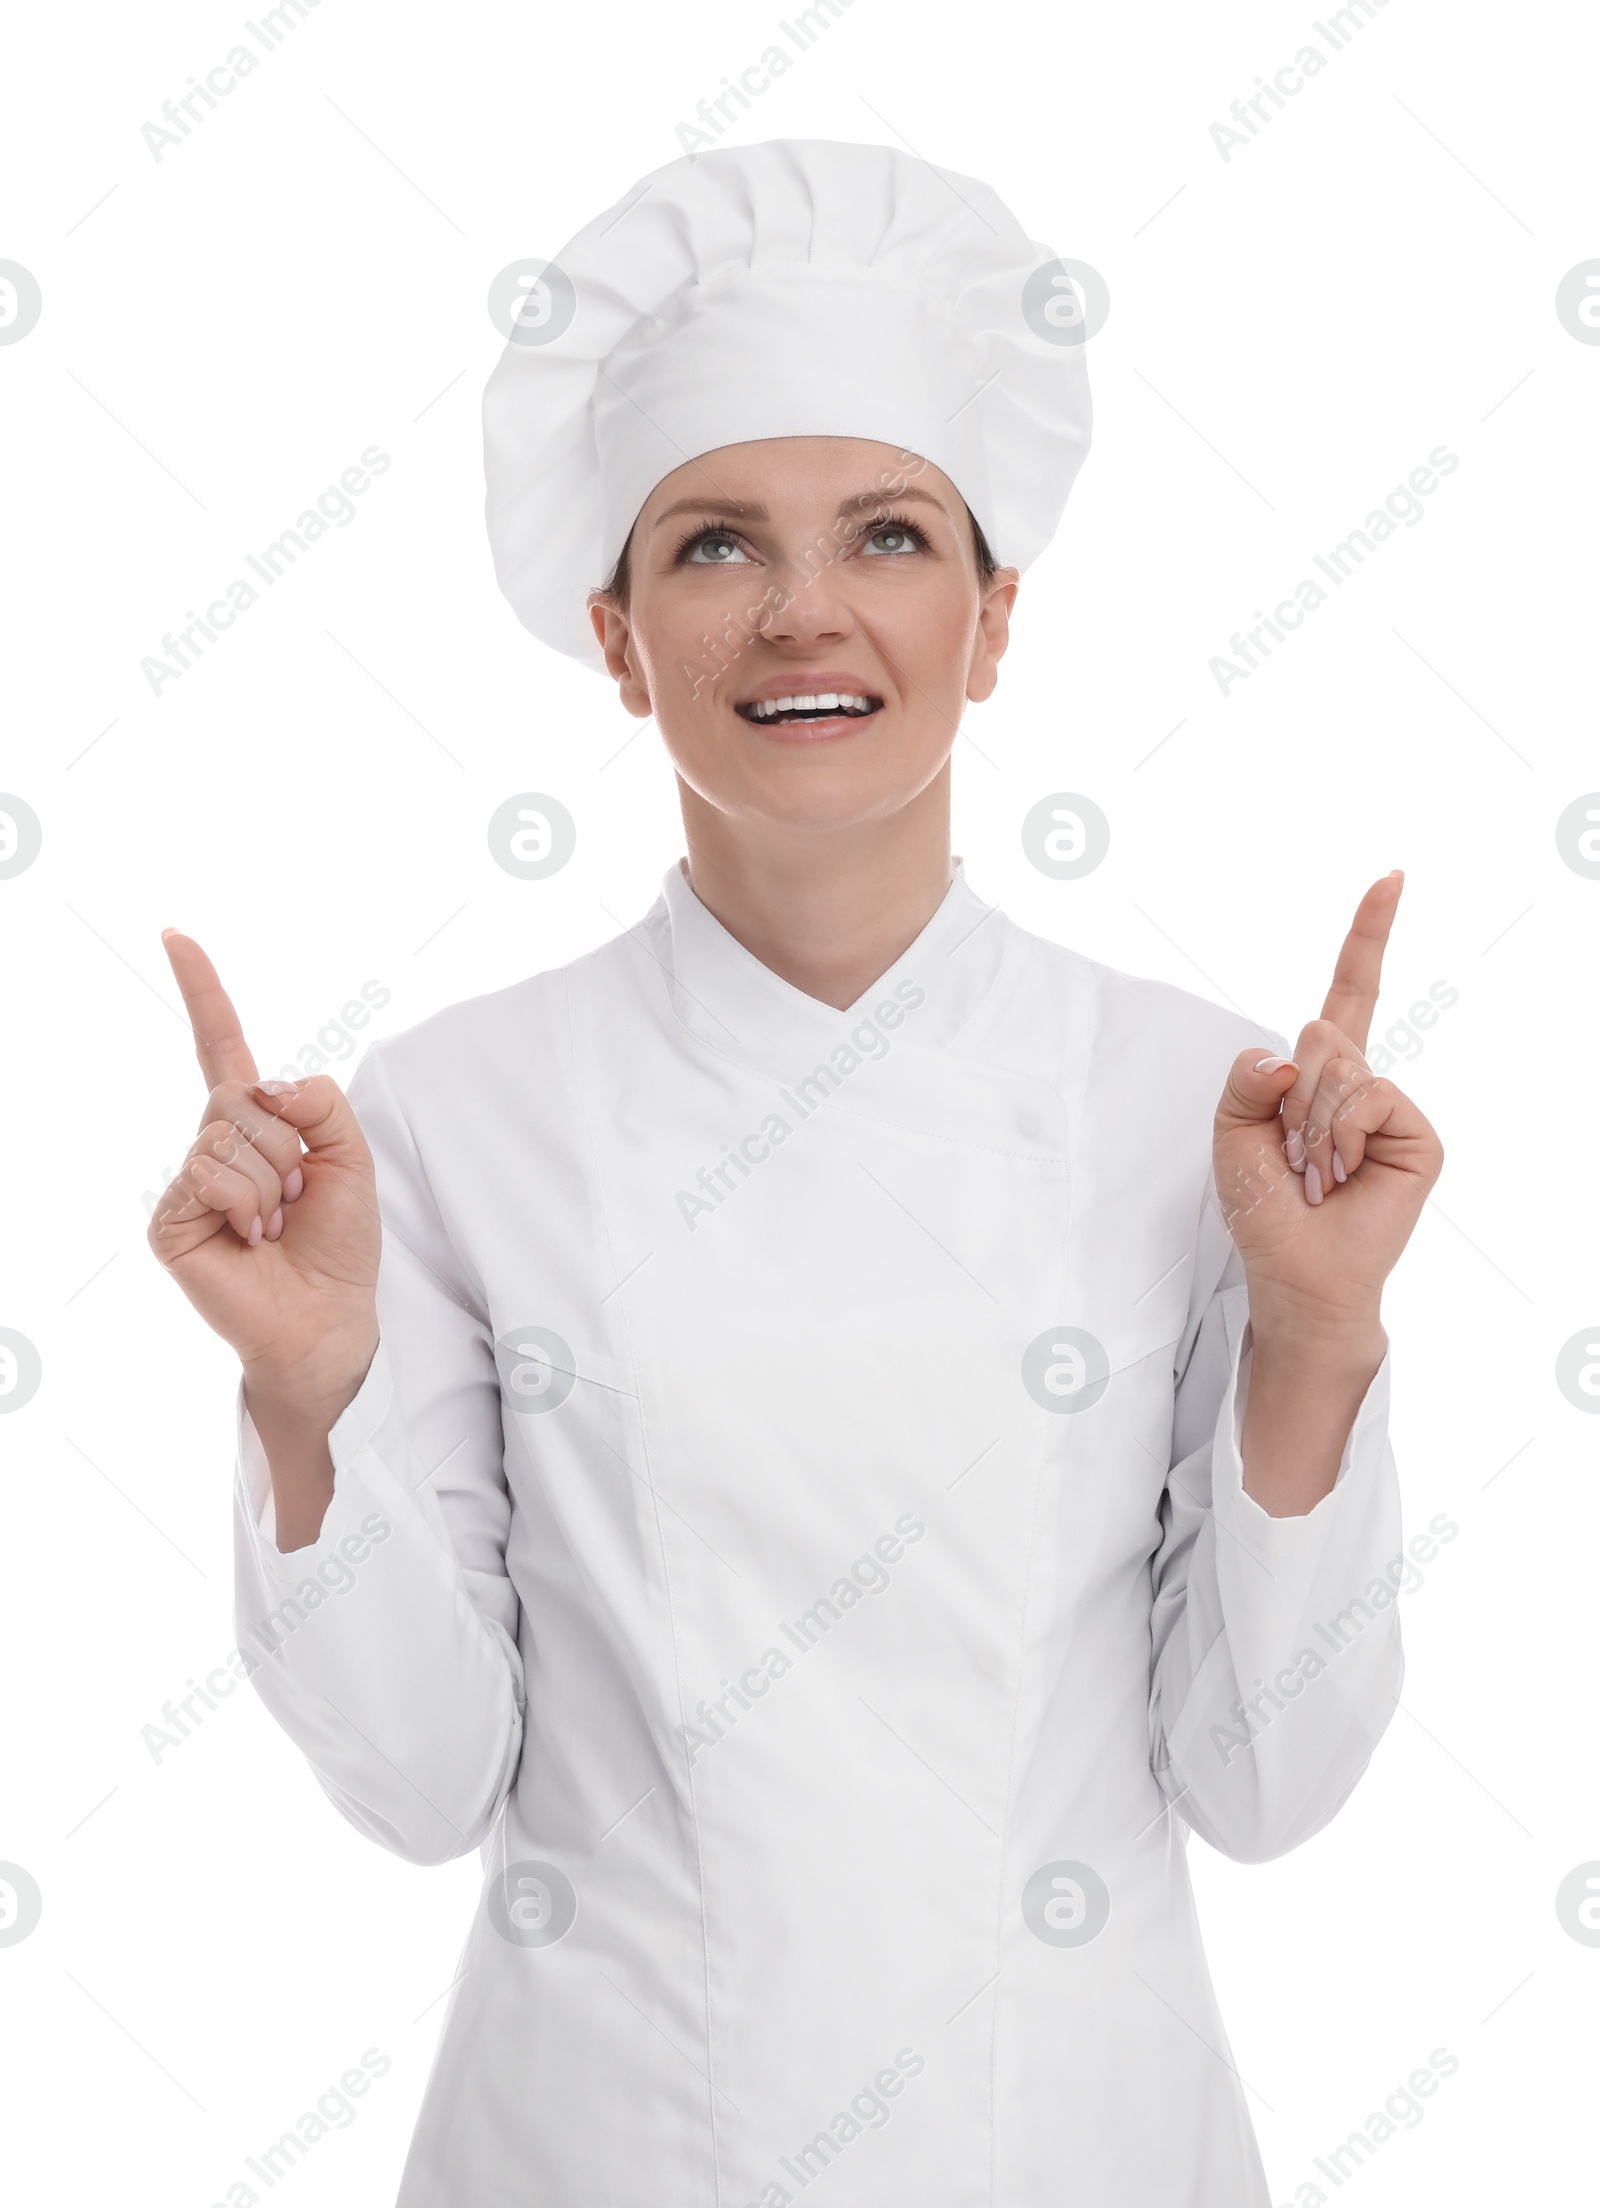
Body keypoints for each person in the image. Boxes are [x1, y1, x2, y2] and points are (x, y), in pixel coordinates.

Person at [149, 140, 1443, 2207]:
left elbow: (1264, 1788)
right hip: (599, 2144)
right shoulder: (452, 1115)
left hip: (1079, 2145)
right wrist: (305, 1414)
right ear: (615, 632)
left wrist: (1310, 1336)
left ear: (995, 617)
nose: (807, 610)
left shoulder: (1204, 1108)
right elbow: (418, 1787)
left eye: (891, 535)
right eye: (717, 546)